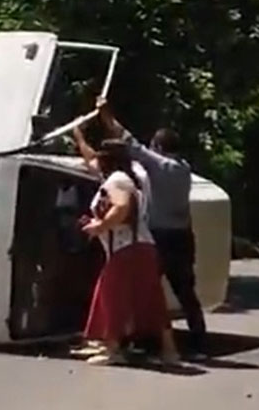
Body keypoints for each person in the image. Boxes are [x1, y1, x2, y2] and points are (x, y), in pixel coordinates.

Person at [96, 97, 209, 360]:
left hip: (161, 237)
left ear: (158, 147)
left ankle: (140, 342)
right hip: (183, 237)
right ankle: (199, 343)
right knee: (185, 292)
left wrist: (106, 116)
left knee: (145, 289)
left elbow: (129, 142)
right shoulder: (184, 168)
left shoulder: (159, 166)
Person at [72, 128, 179, 366]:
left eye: (100, 156)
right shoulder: (126, 177)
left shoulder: (117, 181)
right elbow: (90, 159)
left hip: (127, 249)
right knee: (149, 299)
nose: (95, 160)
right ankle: (169, 352)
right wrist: (79, 137)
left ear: (107, 160)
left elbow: (121, 208)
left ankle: (113, 350)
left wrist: (99, 226)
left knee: (112, 297)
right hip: (139, 248)